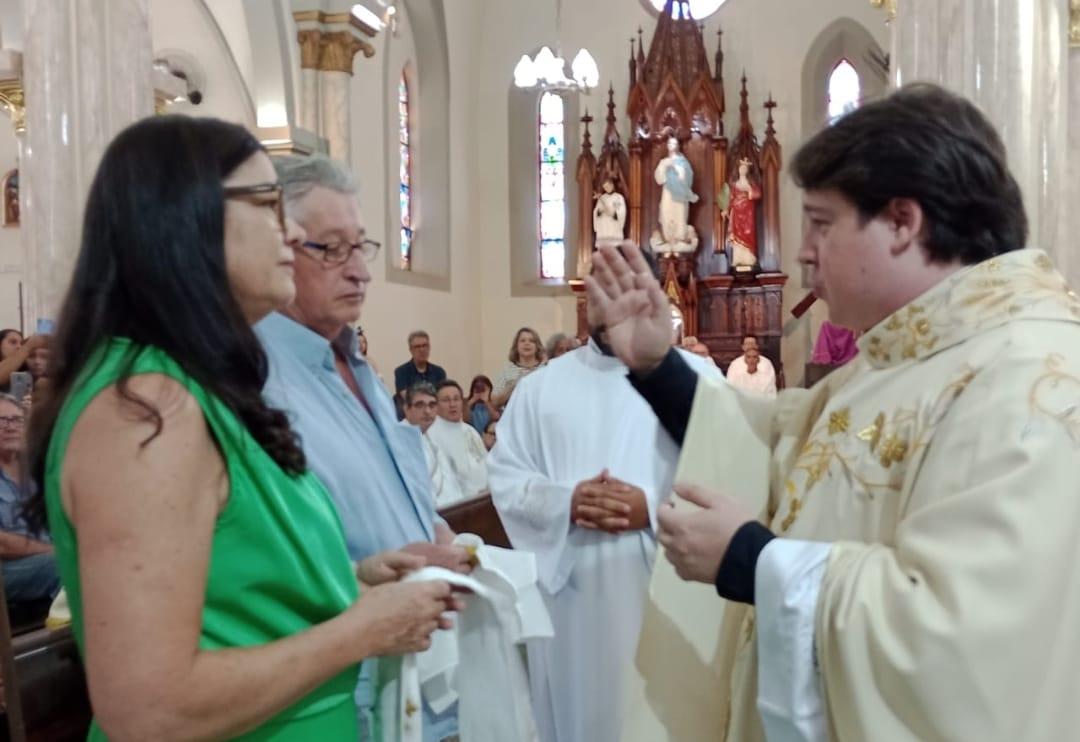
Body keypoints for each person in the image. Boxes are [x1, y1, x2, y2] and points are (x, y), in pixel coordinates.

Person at [586, 84, 1080, 742]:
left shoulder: (1031, 381)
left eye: (821, 222)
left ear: (903, 223)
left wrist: (755, 562)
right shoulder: (915, 355)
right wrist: (656, 363)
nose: (803, 252)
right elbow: (787, 443)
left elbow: (964, 645)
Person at [25, 117, 456, 741]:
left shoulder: (194, 386)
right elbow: (149, 709)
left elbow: (229, 595)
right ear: (187, 219)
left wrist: (353, 582)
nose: (290, 232)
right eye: (266, 205)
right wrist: (363, 630)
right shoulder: (145, 405)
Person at [255, 154, 469, 742]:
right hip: (336, 688)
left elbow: (393, 491)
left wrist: (442, 540)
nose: (360, 272)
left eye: (362, 247)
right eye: (332, 249)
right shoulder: (253, 380)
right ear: (275, 248)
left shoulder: (359, 366)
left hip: (418, 672)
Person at [489, 253, 720, 742]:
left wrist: (653, 510)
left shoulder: (696, 379)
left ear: (656, 291)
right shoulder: (539, 389)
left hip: (666, 591)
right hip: (573, 600)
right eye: (597, 284)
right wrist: (563, 503)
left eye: (624, 281)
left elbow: (730, 475)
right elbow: (507, 477)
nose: (607, 296)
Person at [0, 394, 59, 618]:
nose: (11, 427)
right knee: (62, 566)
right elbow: (3, 544)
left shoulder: (36, 468)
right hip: (7, 568)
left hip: (48, 553)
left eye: (16, 420)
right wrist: (53, 551)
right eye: (2, 420)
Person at [403, 382, 466, 508]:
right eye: (420, 405)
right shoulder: (400, 443)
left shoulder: (429, 438)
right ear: (407, 409)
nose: (427, 411)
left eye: (432, 405)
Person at [428, 380, 488, 499]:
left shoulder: (470, 431)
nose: (452, 404)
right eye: (446, 400)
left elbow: (484, 462)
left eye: (456, 399)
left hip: (484, 498)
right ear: (436, 405)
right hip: (457, 503)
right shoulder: (431, 435)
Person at [491, 327, 546, 408]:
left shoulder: (545, 369)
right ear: (516, 346)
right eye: (522, 340)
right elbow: (494, 401)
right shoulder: (507, 371)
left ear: (537, 346)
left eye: (532, 341)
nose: (527, 343)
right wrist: (514, 386)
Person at [394, 330, 446, 405]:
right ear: (411, 350)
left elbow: (442, 395)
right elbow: (405, 396)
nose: (422, 350)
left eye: (424, 346)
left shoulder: (439, 372)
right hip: (413, 410)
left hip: (435, 410)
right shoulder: (401, 371)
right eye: (417, 347)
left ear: (429, 347)